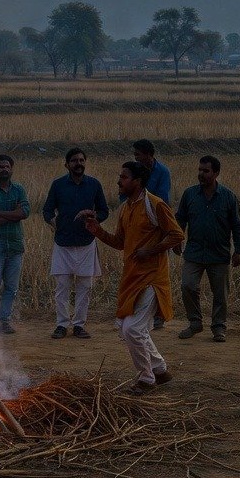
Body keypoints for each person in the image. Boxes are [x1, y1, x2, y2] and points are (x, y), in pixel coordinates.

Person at [79, 161, 186, 394]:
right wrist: (97, 231)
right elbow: (120, 243)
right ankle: (160, 369)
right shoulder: (125, 208)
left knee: (132, 330)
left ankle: (146, 379)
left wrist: (152, 250)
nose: (119, 181)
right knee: (132, 329)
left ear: (137, 182)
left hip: (152, 279)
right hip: (132, 278)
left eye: (124, 177)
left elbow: (177, 235)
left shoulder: (156, 205)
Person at [173, 155, 240, 342]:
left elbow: (237, 225)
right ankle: (195, 322)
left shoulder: (228, 197)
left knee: (220, 293)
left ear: (216, 173)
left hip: (219, 254)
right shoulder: (190, 195)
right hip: (194, 252)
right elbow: (180, 219)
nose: (201, 174)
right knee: (187, 285)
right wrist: (176, 239)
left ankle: (219, 327)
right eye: (200, 170)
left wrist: (239, 250)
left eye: (206, 171)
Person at [42, 148, 109, 339]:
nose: (78, 163)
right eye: (74, 161)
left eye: (81, 160)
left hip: (86, 243)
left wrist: (93, 217)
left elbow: (104, 211)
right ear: (67, 164)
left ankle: (79, 325)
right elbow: (47, 210)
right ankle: (61, 325)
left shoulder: (94, 185)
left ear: (85, 163)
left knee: (84, 287)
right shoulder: (58, 185)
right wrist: (52, 222)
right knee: (62, 287)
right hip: (62, 243)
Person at [0, 154, 30, 334]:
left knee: (11, 287)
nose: (4, 169)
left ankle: (4, 321)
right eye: (0, 167)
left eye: (7, 166)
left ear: (11, 169)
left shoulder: (19, 190)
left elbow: (24, 212)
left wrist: (0, 214)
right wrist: (12, 214)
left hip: (15, 247)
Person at [128, 139, 171, 328]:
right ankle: (138, 309)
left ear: (148, 155)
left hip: (157, 227)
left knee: (158, 273)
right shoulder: (134, 172)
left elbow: (161, 200)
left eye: (138, 154)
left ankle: (159, 315)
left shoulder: (162, 172)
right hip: (138, 226)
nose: (136, 157)